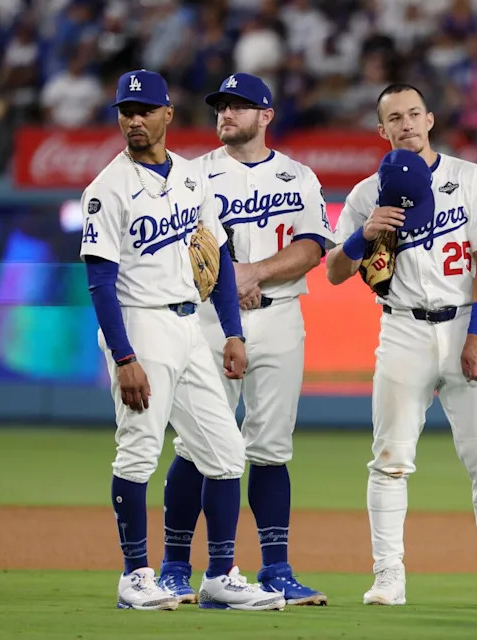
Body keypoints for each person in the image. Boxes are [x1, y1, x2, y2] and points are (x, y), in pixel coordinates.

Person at [80, 69, 284, 612]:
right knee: (139, 452)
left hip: (190, 326)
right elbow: (99, 281)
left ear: (168, 115)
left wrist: (233, 334)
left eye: (145, 109)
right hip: (139, 324)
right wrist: (124, 357)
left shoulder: (192, 178)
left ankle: (219, 576)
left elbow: (215, 261)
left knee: (225, 452)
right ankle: (135, 577)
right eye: (126, 111)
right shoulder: (107, 189)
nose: (134, 119)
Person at [325, 84, 477, 607]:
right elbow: (334, 272)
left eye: (415, 113)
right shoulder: (367, 193)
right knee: (389, 459)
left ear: (430, 119)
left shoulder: (469, 178)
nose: (407, 123)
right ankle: (389, 575)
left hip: (462, 325)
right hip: (402, 328)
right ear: (382, 130)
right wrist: (361, 235)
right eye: (395, 117)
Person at [156, 73, 334, 606]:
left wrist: (253, 273)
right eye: (222, 106)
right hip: (210, 321)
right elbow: (181, 245)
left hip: (280, 319)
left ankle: (276, 568)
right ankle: (173, 567)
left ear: (266, 116)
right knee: (197, 444)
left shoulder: (298, 176)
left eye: (239, 106)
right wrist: (230, 283)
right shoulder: (193, 175)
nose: (227, 114)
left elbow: (312, 248)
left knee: (272, 449)